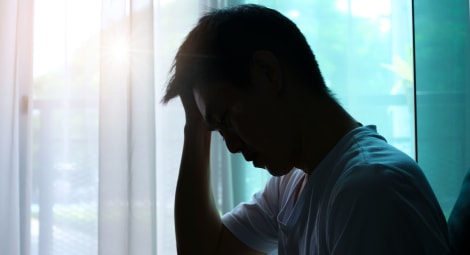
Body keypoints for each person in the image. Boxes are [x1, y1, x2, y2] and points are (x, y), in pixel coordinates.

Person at [161, 4, 451, 255]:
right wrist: (196, 125)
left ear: (268, 73)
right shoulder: (293, 182)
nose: (233, 146)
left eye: (226, 119)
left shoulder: (372, 192)